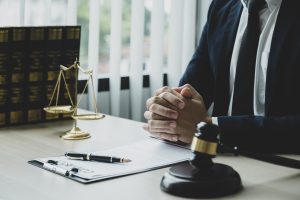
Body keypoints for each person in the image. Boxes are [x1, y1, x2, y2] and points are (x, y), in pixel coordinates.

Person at [143, 0, 300, 153]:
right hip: (216, 160)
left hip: (281, 162)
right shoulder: (221, 6)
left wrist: (212, 127)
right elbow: (188, 93)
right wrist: (169, 111)